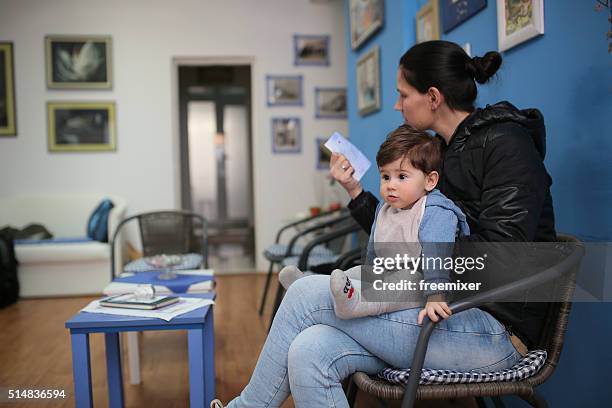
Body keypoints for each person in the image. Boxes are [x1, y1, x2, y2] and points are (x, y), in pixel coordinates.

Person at [211, 40, 554, 408]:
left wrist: (411, 260)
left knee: (304, 296)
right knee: (308, 351)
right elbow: (408, 226)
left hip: (494, 328)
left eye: (403, 94)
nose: (396, 104)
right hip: (437, 309)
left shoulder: (506, 145)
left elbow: (502, 256)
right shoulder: (445, 149)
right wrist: (356, 191)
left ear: (433, 97)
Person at [278, 124, 470, 323]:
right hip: (388, 274)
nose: (390, 185)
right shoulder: (384, 209)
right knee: (354, 273)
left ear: (430, 181)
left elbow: (437, 254)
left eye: (402, 177)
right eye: (385, 176)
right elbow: (373, 248)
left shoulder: (436, 211)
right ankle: (307, 288)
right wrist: (368, 273)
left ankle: (353, 304)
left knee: (401, 283)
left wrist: (436, 296)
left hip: (423, 283)